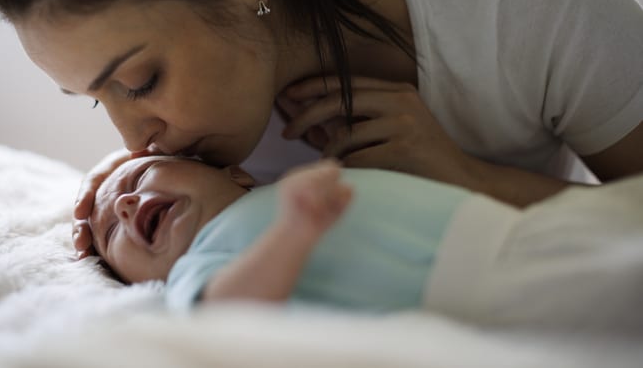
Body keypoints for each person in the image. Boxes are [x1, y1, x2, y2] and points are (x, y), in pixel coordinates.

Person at [0, 0, 643, 259]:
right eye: (99, 101)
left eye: (139, 81)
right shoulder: (203, 139)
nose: (135, 139)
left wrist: (467, 177)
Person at [89, 155, 643, 331]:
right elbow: (228, 313)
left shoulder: (286, 183)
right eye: (112, 231)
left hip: (519, 226)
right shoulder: (199, 266)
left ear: (236, 173)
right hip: (478, 283)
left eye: (141, 179)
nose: (127, 205)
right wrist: (293, 233)